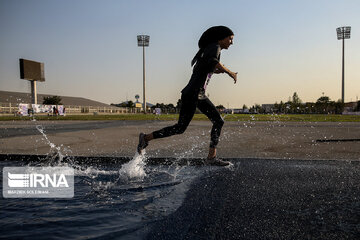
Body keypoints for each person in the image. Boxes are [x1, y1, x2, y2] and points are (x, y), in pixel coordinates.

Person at [137, 26, 237, 166]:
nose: (231, 42)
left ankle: (145, 138)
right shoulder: (215, 47)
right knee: (218, 121)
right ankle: (211, 157)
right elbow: (214, 62)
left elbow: (204, 67)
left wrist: (215, 71)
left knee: (180, 128)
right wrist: (229, 72)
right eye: (230, 39)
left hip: (192, 94)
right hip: (195, 94)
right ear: (221, 38)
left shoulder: (209, 49)